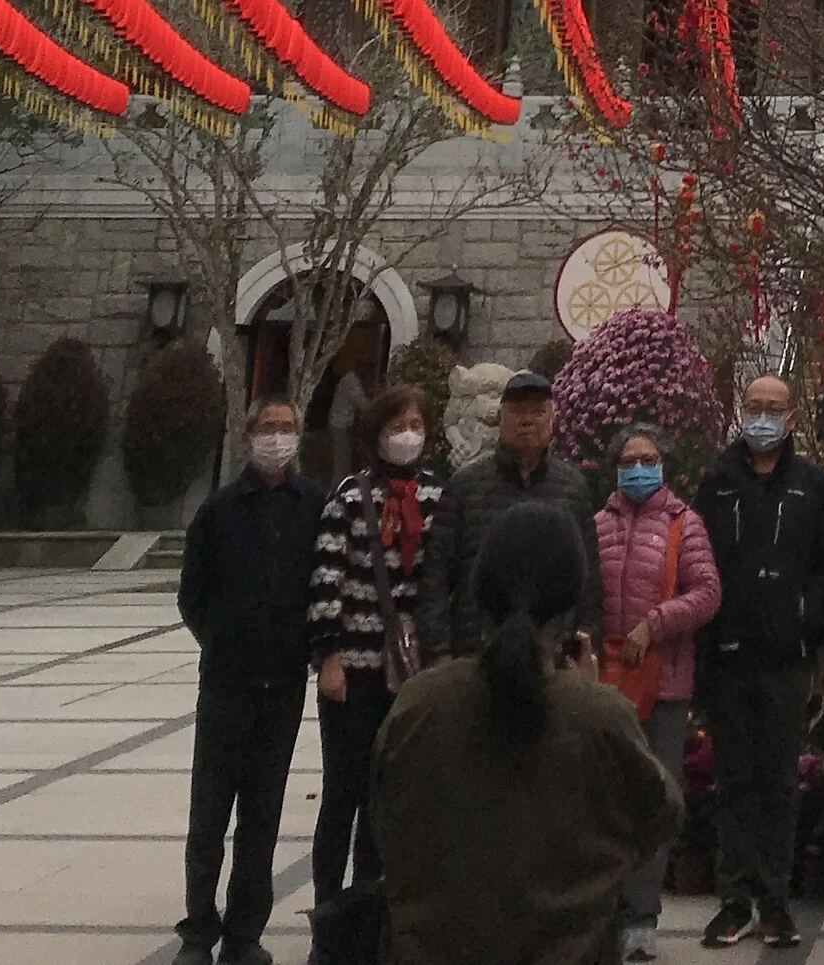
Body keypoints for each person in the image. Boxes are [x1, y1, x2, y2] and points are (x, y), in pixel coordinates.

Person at [374, 500, 684, 965]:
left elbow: (384, 812)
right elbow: (661, 811)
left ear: (482, 590)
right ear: (569, 601)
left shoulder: (420, 703)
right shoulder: (598, 714)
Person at [693, 373, 824, 950]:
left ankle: (776, 900)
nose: (763, 416)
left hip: (787, 661)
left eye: (774, 408)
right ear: (742, 410)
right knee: (734, 783)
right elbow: (696, 561)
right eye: (755, 406)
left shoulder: (813, 487)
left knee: (779, 783)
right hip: (729, 659)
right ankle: (734, 899)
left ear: (791, 416)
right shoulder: (717, 485)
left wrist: (807, 614)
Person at [176, 394, 323, 965]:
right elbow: (191, 595)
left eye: (287, 428)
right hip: (226, 686)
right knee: (209, 815)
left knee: (262, 817)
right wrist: (222, 641)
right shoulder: (218, 510)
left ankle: (245, 932)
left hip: (283, 687)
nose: (277, 438)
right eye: (268, 428)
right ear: (248, 436)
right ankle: (197, 931)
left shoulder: (313, 504)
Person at [305, 381, 444, 916]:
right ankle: (327, 908)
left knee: (387, 794)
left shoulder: (438, 495)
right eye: (396, 426)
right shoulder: (348, 495)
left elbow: (441, 577)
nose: (407, 436)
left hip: (409, 674)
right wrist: (329, 656)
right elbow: (326, 578)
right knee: (343, 790)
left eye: (415, 425)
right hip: (354, 670)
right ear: (376, 433)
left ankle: (368, 905)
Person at [597, 423, 723, 964]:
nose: (640, 467)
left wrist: (655, 621)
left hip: (665, 686)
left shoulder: (684, 524)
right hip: (605, 687)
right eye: (630, 460)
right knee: (606, 802)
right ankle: (605, 912)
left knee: (655, 799)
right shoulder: (597, 524)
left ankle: (643, 919)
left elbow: (708, 593)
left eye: (649, 458)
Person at [416, 363, 604, 666]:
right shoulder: (465, 485)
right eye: (517, 412)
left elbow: (590, 581)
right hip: (475, 651)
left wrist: (587, 643)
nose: (527, 421)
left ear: (553, 419)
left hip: (552, 655)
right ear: (500, 419)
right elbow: (436, 576)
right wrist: (439, 651)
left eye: (537, 412)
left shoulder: (573, 487)